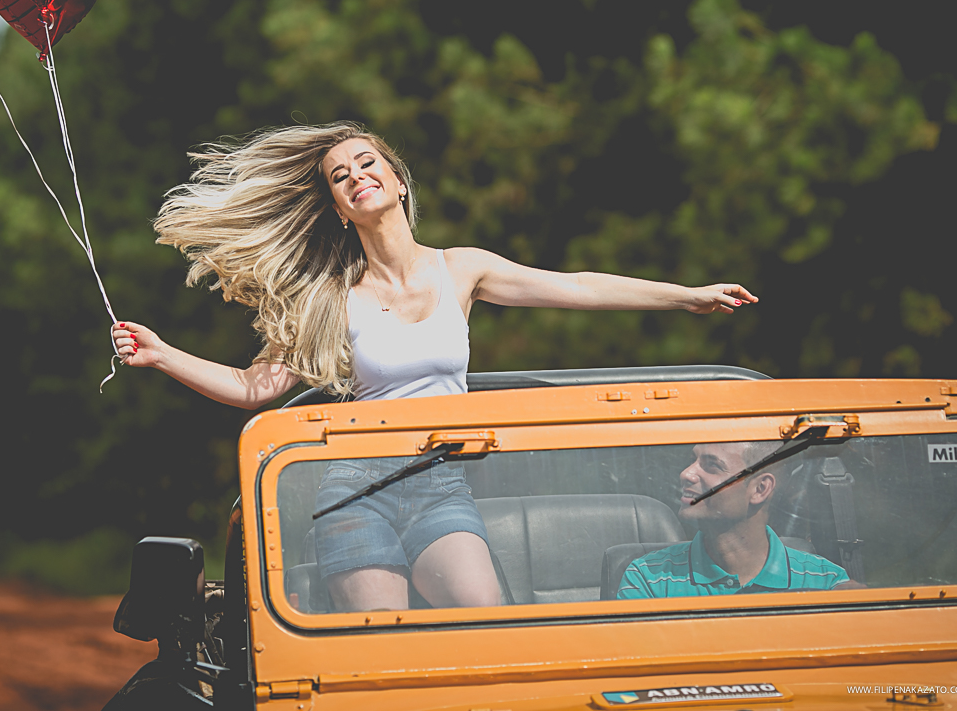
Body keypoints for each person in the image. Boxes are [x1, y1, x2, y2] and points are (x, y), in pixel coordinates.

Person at [111, 122, 758, 612]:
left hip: (440, 485)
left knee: (487, 627)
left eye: (368, 162)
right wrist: (163, 354)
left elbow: (578, 286)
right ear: (340, 207)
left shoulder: (462, 268)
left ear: (396, 181)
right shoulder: (328, 299)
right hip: (355, 488)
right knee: (382, 657)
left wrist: (686, 295)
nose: (357, 175)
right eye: (341, 175)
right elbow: (257, 388)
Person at [617, 441, 851, 598]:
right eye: (693, 460)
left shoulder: (826, 584)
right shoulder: (649, 579)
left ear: (760, 489)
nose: (686, 474)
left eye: (712, 466)